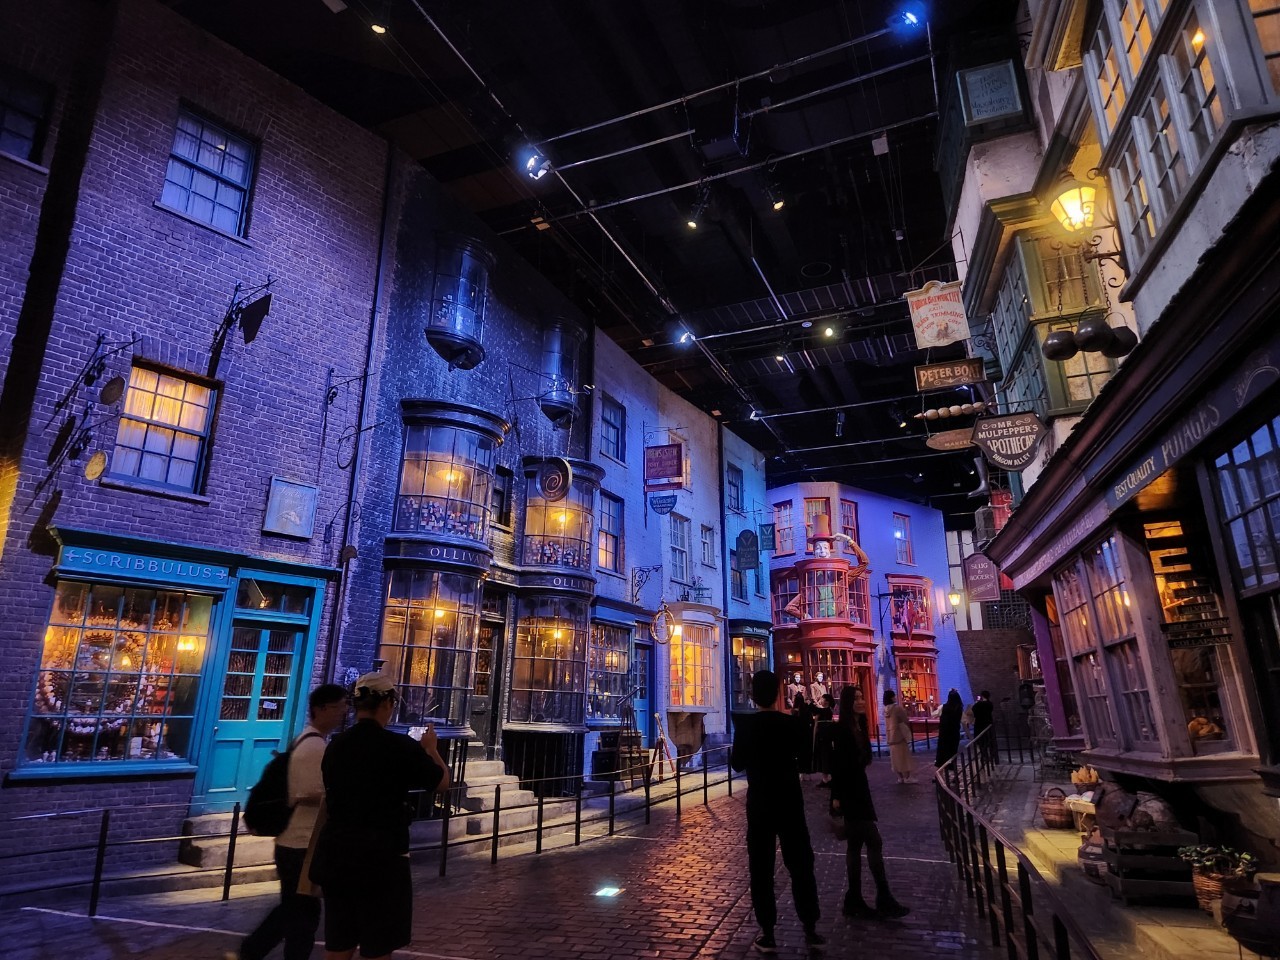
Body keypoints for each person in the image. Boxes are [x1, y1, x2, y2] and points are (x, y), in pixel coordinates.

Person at [310, 672, 452, 960]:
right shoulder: (398, 746)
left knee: (339, 943)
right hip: (381, 857)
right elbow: (441, 783)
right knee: (377, 946)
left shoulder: (336, 746)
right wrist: (431, 750)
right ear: (387, 703)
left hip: (337, 853)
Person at [234, 683, 347, 960]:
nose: (343, 712)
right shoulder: (314, 747)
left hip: (295, 841)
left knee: (297, 908)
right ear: (321, 709)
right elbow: (311, 792)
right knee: (301, 913)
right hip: (300, 843)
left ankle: (252, 950)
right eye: (339, 707)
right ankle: (253, 950)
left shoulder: (308, 740)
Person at [730, 670, 825, 953]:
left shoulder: (746, 726)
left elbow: (737, 763)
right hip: (789, 800)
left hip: (760, 802)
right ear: (778, 693)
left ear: (753, 696)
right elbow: (806, 761)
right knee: (801, 864)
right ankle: (810, 926)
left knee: (761, 869)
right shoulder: (791, 724)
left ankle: (768, 932)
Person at [829, 686, 910, 921]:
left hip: (859, 788)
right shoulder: (842, 730)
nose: (861, 701)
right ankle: (883, 898)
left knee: (855, 845)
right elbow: (838, 765)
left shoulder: (860, 727)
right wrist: (836, 797)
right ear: (847, 703)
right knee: (874, 841)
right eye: (855, 698)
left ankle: (854, 899)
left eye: (861, 697)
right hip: (850, 792)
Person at [883, 690, 913, 784]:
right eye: (894, 696)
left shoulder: (885, 709)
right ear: (892, 697)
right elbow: (905, 719)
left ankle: (900, 777)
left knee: (894, 758)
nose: (895, 697)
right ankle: (907, 777)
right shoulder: (897, 708)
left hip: (890, 736)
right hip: (899, 735)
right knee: (904, 757)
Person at [935, 688, 965, 769]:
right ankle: (952, 769)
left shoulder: (943, 707)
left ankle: (940, 770)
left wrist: (930, 707)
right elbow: (964, 721)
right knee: (952, 752)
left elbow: (934, 714)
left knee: (942, 752)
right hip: (954, 733)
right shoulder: (959, 709)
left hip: (944, 733)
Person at [971, 690, 996, 763]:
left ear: (982, 696)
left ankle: (984, 756)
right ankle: (992, 755)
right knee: (989, 740)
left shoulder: (979, 704)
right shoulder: (990, 704)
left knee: (981, 741)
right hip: (988, 723)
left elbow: (973, 710)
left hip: (979, 724)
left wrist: (977, 702)